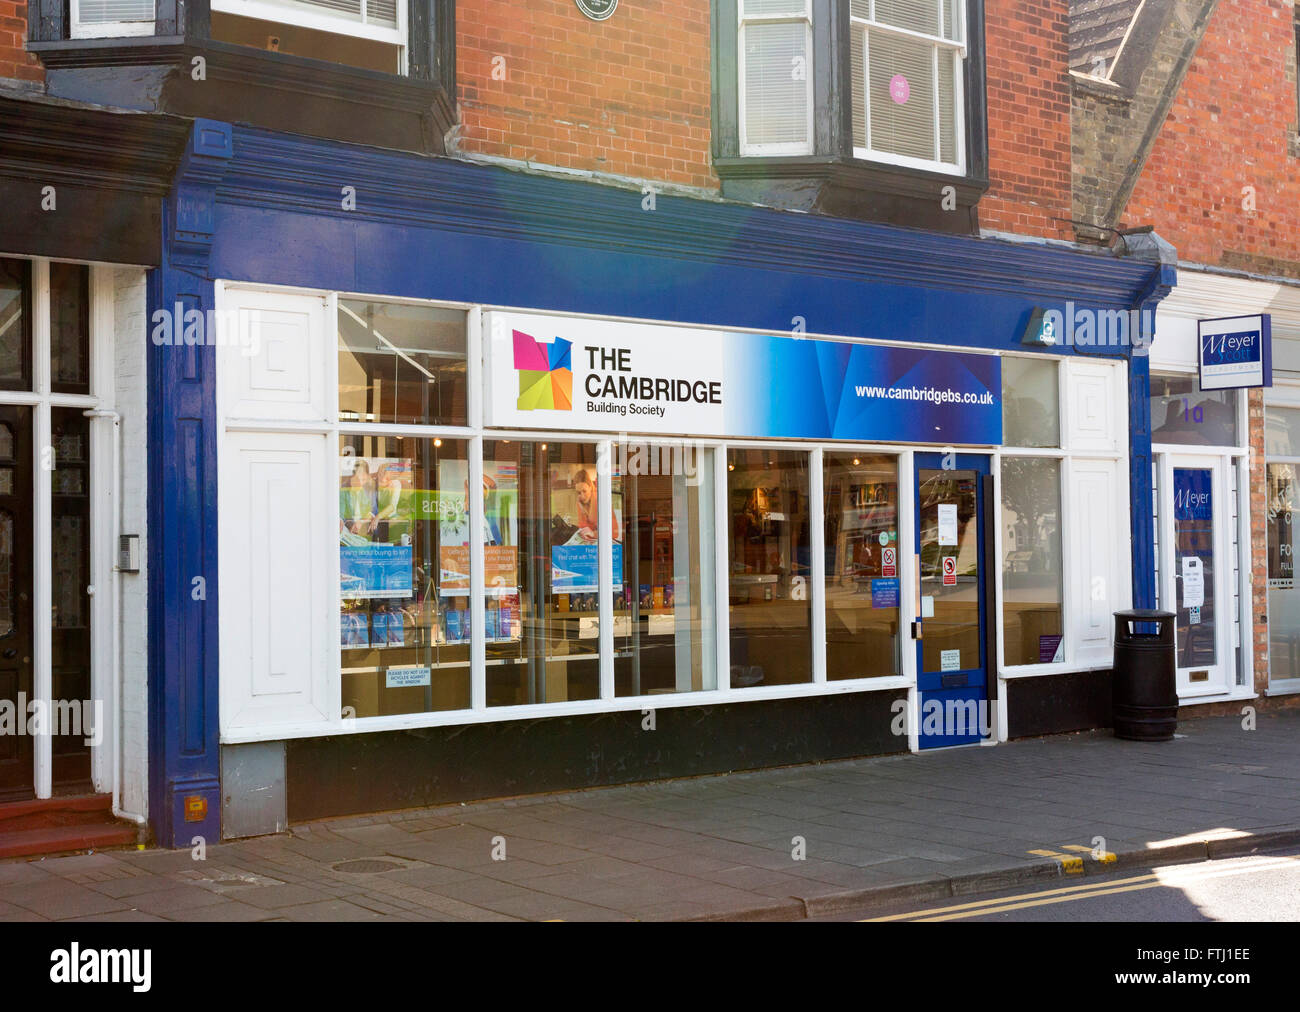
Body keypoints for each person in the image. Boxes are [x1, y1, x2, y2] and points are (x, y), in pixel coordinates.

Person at [572, 467, 621, 543]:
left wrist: (593, 533)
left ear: (591, 488)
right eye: (579, 492)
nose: (582, 496)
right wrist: (582, 510)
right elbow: (583, 528)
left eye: (584, 491)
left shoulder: (601, 500)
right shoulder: (580, 501)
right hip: (594, 542)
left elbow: (614, 532)